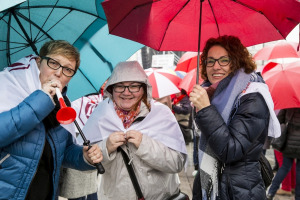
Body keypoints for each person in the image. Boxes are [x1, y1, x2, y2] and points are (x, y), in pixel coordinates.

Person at [0, 40, 103, 200]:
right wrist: (42, 99)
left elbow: (64, 151)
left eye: (68, 69)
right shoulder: (8, 84)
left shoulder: (62, 104)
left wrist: (83, 157)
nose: (59, 73)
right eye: (54, 63)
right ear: (39, 61)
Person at [189, 35, 280, 200]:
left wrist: (206, 109)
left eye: (224, 60)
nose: (216, 66)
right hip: (209, 185)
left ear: (237, 62)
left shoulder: (253, 97)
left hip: (239, 191)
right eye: (210, 61)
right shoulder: (210, 94)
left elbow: (231, 150)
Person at [82, 61, 187, 200]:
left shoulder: (161, 113)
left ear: (144, 89)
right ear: (111, 89)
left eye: (134, 86)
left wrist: (144, 144)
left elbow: (177, 163)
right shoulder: (100, 114)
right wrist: (105, 148)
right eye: (120, 86)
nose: (126, 92)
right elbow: (86, 159)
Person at [58, 92, 103, 200]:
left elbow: (67, 151)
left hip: (83, 144)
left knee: (85, 190)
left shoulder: (68, 100)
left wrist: (84, 157)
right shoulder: (79, 99)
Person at [267, 108, 300, 200]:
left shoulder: (289, 105)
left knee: (285, 167)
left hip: (289, 142)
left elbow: (279, 120)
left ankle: (271, 192)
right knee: (299, 170)